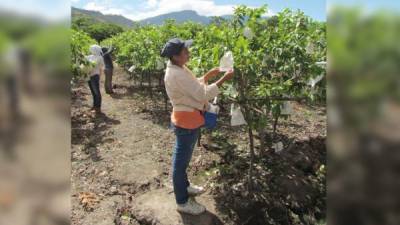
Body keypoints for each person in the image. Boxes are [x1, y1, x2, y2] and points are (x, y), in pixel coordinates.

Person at [161, 38, 234, 215]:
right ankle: (182, 202)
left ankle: (185, 187)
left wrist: (208, 76)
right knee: (180, 163)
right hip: (186, 122)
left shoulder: (178, 68)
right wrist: (224, 79)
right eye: (185, 51)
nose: (189, 53)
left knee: (183, 160)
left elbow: (192, 86)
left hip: (188, 119)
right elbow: (201, 94)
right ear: (177, 56)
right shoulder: (176, 73)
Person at [86, 45, 104, 114]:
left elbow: (100, 67)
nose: (91, 50)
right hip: (89, 76)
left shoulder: (99, 57)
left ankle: (98, 107)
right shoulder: (90, 56)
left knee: (96, 92)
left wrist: (100, 76)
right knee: (93, 92)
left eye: (93, 49)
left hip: (95, 76)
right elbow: (83, 59)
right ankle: (94, 106)